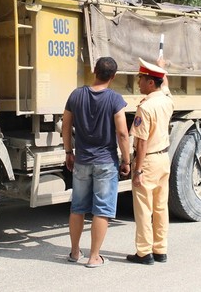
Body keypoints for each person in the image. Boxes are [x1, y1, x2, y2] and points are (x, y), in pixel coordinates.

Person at [63, 56, 131, 268]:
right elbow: (122, 133)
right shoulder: (115, 100)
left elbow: (66, 126)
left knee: (78, 207)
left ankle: (75, 252)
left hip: (82, 160)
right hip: (105, 162)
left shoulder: (76, 95)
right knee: (101, 209)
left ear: (94, 71)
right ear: (113, 76)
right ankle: (94, 257)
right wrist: (127, 160)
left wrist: (68, 152)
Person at [126, 57, 174, 265]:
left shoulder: (145, 108)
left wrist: (137, 171)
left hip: (148, 161)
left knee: (144, 208)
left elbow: (142, 142)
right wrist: (162, 69)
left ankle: (144, 252)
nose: (138, 82)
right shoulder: (166, 100)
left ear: (151, 83)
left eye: (141, 79)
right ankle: (160, 249)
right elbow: (166, 87)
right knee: (161, 207)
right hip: (163, 158)